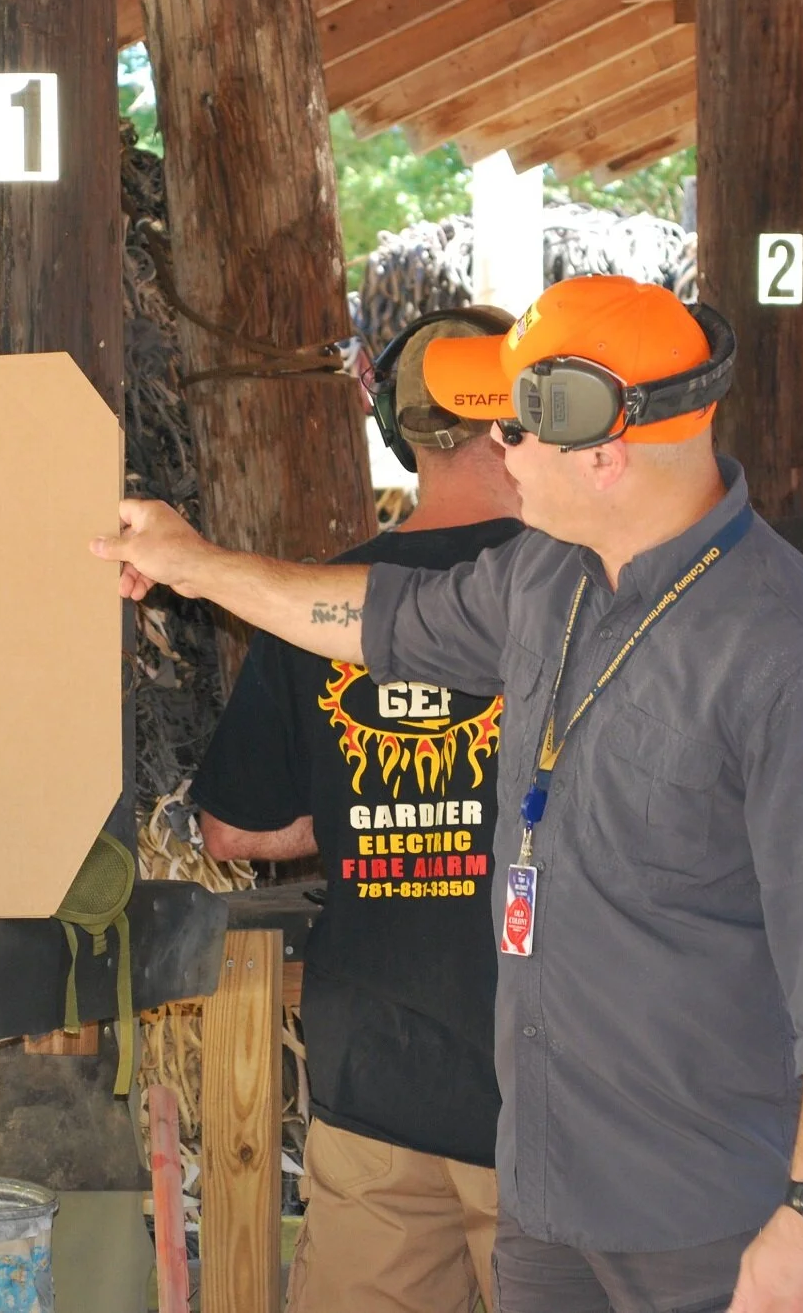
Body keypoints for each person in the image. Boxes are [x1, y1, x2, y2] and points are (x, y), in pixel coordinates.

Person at [93, 275, 803, 1313]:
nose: (498, 449)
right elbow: (369, 618)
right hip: (547, 1195)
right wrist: (196, 566)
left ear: (605, 452)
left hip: (706, 1218)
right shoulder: (548, 579)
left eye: (516, 426)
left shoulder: (792, 657)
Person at [193, 307, 523, 1313]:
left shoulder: (316, 602)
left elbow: (229, 830)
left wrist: (350, 816)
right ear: (521, 417)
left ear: (400, 430)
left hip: (375, 1080)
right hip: (550, 1097)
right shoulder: (571, 593)